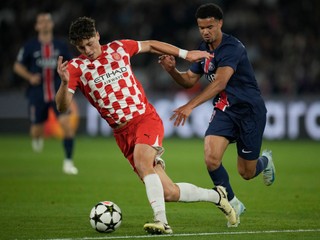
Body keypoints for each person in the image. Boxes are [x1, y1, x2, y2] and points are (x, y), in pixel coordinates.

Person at [56, 16, 238, 235]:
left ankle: (161, 221)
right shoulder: (76, 67)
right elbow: (62, 106)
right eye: (81, 47)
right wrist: (65, 83)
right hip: (122, 134)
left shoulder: (119, 48)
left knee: (144, 162)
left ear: (97, 36)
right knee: (168, 192)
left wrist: (185, 54)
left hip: (144, 118)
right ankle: (217, 196)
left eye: (90, 43)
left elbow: (151, 45)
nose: (88, 50)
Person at [158, 3, 275, 227]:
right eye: (201, 27)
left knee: (246, 172)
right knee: (211, 158)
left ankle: (266, 160)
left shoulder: (233, 48)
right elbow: (189, 80)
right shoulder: (203, 50)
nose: (205, 32)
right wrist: (172, 70)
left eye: (210, 26)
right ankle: (232, 203)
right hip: (225, 109)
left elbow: (221, 81)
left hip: (249, 111)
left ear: (220, 23)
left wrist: (190, 105)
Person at [13, 12, 78, 175]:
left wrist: (67, 78)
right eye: (41, 22)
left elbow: (71, 63)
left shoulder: (60, 45)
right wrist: (29, 76)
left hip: (58, 94)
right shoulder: (30, 46)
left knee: (66, 125)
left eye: (48, 21)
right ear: (37, 26)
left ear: (52, 24)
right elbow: (17, 66)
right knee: (36, 130)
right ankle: (37, 138)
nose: (45, 24)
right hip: (37, 94)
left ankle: (68, 162)